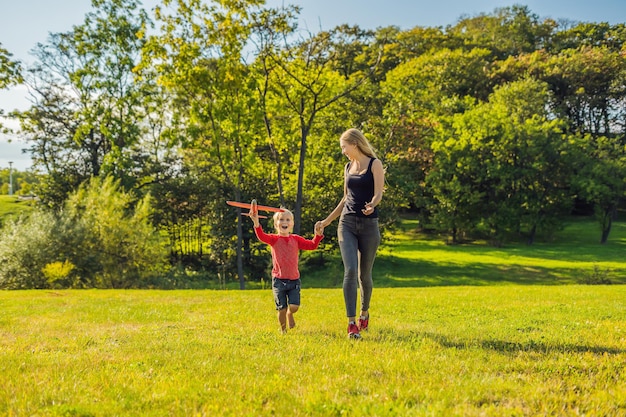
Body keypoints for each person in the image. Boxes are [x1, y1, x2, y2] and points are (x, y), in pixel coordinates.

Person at [317, 128, 384, 339]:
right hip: (346, 223)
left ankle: (364, 314)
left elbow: (378, 193)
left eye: (344, 146)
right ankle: (351, 323)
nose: (343, 151)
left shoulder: (375, 164)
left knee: (364, 275)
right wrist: (327, 221)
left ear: (354, 143)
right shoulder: (347, 167)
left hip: (369, 226)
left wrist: (372, 205)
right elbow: (345, 198)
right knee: (350, 271)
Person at [248, 200, 324, 333]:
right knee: (281, 308)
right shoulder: (274, 239)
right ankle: (283, 330)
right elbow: (261, 236)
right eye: (281, 219)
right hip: (279, 280)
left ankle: (290, 314)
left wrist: (317, 235)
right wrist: (256, 222)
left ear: (292, 223)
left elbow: (312, 245)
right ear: (276, 224)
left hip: (294, 280)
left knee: (294, 306)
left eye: (288, 219)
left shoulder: (296, 239)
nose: (285, 222)